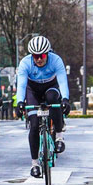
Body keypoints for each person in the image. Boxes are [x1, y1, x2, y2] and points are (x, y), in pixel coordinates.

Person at [16, 34, 69, 169]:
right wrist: (20, 102)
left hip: (50, 87)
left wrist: (65, 99)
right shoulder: (25, 63)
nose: (39, 59)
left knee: (53, 99)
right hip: (32, 90)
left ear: (48, 53)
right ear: (31, 55)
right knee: (34, 125)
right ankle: (34, 164)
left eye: (42, 56)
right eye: (36, 56)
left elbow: (63, 81)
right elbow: (21, 85)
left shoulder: (56, 60)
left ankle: (59, 136)